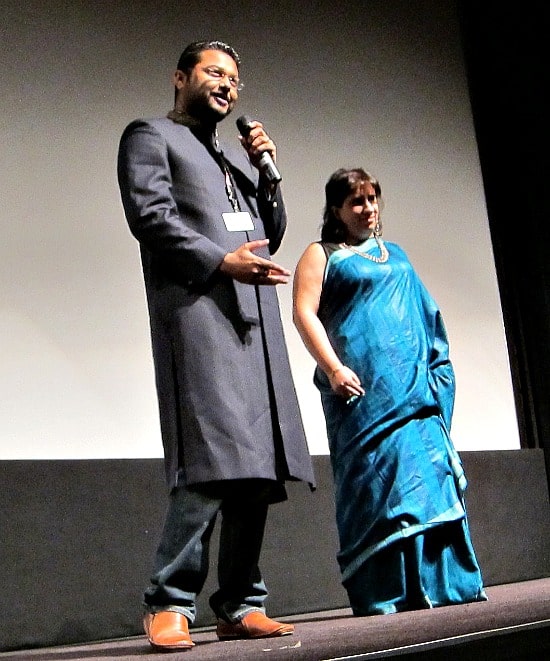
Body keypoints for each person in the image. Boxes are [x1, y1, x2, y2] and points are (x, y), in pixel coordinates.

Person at [117, 40, 315, 651]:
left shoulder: (231, 161)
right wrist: (218, 263)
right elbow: (150, 216)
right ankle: (169, 603)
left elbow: (270, 234)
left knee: (257, 469)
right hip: (201, 315)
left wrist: (268, 174)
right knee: (211, 460)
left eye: (234, 78)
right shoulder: (150, 135)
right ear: (180, 77)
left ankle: (240, 601)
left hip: (254, 323)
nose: (227, 85)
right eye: (214, 72)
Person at [292, 167, 487, 616]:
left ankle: (444, 587)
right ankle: (387, 593)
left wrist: (433, 371)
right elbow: (305, 314)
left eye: (372, 199)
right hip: (362, 397)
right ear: (336, 210)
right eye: (356, 202)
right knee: (377, 491)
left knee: (427, 484)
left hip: (413, 393)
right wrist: (334, 367)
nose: (368, 209)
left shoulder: (395, 254)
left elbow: (425, 315)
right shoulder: (321, 254)